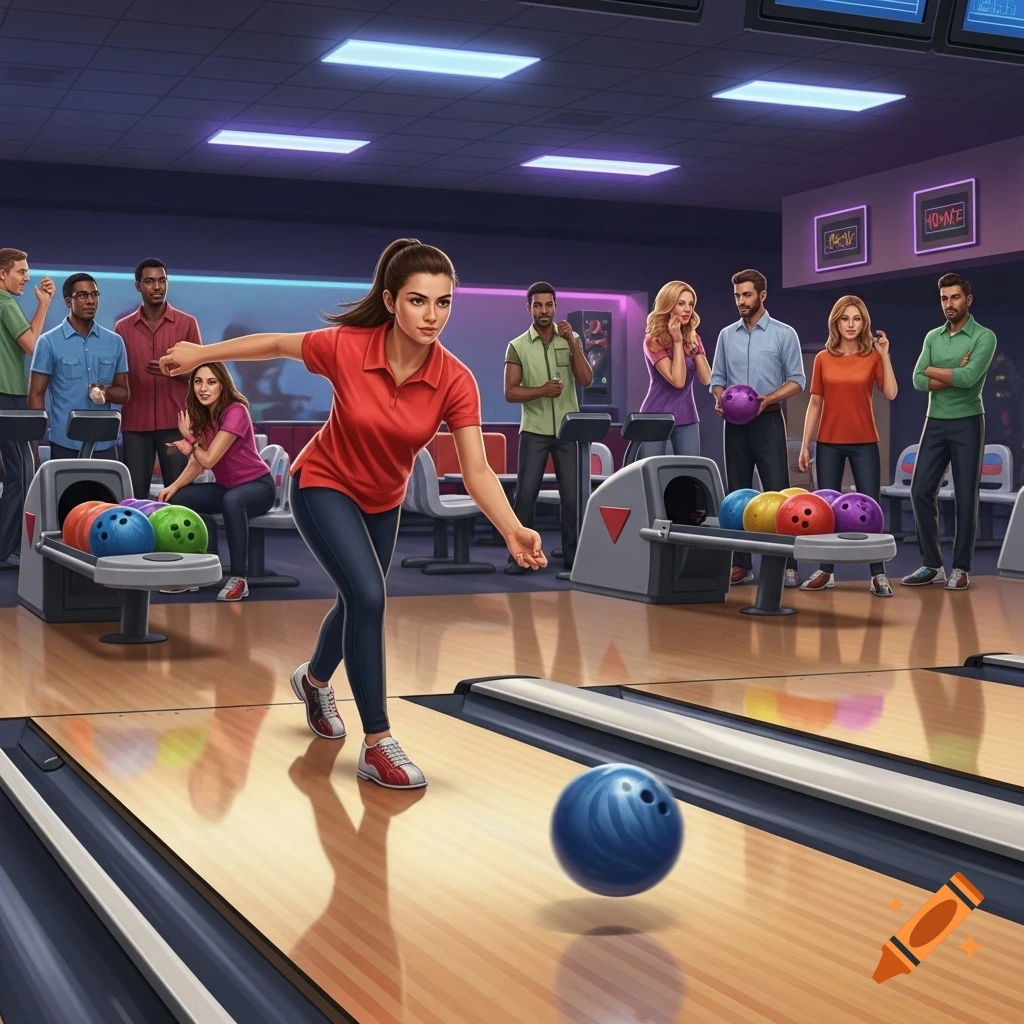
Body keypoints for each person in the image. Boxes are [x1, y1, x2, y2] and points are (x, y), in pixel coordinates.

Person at [160, 239, 546, 789]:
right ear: (390, 302)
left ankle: (314, 679)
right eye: (418, 301)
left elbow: (478, 470)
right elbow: (273, 343)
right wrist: (201, 355)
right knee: (368, 597)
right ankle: (378, 743)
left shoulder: (455, 379)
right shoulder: (347, 346)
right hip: (323, 484)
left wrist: (513, 529)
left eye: (443, 303)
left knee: (355, 600)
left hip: (382, 500)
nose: (432, 316)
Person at [709, 269, 805, 587]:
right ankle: (742, 564)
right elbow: (717, 378)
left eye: (747, 295)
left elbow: (797, 381)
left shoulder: (783, 333)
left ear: (762, 296)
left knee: (778, 492)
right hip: (735, 425)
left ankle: (786, 564)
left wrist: (768, 399)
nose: (741, 301)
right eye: (737, 295)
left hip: (768, 420)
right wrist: (721, 399)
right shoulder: (726, 335)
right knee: (737, 494)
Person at [797, 296, 898, 597]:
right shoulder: (823, 358)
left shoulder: (872, 356)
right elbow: (814, 402)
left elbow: (891, 392)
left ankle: (878, 574)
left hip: (865, 442)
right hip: (827, 443)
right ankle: (826, 571)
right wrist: (805, 445)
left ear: (863, 322)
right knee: (827, 511)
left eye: (856, 319)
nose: (851, 325)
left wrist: (885, 356)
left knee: (870, 510)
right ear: (836, 322)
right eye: (845, 319)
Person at [903, 273, 996, 592]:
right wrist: (949, 372)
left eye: (955, 297)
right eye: (944, 298)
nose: (949, 304)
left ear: (967, 300)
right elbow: (916, 379)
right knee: (919, 491)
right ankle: (932, 565)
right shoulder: (933, 337)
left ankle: (961, 568)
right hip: (935, 421)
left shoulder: (984, 336)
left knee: (966, 496)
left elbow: (970, 378)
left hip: (968, 421)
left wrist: (935, 371)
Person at [157, 362, 275, 602]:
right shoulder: (203, 415)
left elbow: (209, 459)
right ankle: (195, 572)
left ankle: (239, 579)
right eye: (198, 382)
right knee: (179, 500)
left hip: (258, 486)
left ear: (223, 384)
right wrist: (173, 487)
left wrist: (189, 438)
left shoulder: (236, 411)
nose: (203, 388)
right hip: (228, 487)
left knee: (233, 501)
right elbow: (197, 463)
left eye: (211, 382)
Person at [503, 282, 593, 576]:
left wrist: (574, 344)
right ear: (528, 308)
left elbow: (586, 379)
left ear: (556, 307)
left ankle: (574, 558)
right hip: (534, 431)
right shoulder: (517, 345)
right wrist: (541, 390)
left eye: (549, 305)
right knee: (525, 497)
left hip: (569, 431)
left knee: (572, 498)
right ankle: (519, 558)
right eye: (538, 305)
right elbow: (510, 392)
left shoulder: (570, 338)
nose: (544, 310)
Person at [115, 259, 202, 499]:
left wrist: (170, 371)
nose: (157, 287)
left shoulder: (187, 324)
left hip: (176, 424)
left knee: (179, 496)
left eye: (162, 281)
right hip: (135, 424)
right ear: (138, 286)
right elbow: (117, 374)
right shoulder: (122, 328)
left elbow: (201, 376)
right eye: (150, 281)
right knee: (134, 497)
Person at [27, 274, 129, 459]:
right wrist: (34, 445)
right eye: (82, 295)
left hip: (104, 443)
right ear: (68, 301)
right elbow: (36, 394)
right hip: (64, 443)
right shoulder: (48, 342)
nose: (91, 301)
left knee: (104, 489)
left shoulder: (114, 342)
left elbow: (124, 393)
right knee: (68, 490)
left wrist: (106, 393)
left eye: (95, 295)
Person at [0, 249, 54, 569]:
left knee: (17, 474)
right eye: (21, 271)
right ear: (2, 274)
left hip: (8, 396)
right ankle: (5, 549)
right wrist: (44, 304)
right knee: (21, 475)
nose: (27, 277)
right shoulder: (5, 304)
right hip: (7, 397)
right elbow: (33, 344)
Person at [638, 281, 712, 458]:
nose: (688, 309)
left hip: (687, 415)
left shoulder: (694, 337)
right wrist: (678, 341)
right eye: (681, 303)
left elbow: (707, 379)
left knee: (690, 473)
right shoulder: (652, 340)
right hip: (655, 416)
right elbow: (678, 381)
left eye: (691, 304)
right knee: (652, 473)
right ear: (668, 305)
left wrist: (691, 342)